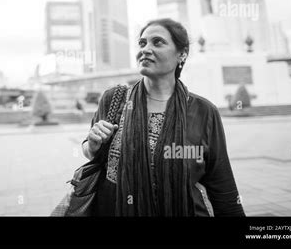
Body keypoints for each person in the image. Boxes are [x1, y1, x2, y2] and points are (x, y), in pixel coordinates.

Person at [81, 18, 245, 216]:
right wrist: (92, 145)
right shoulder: (114, 99)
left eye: (157, 42)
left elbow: (221, 183)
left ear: (181, 55)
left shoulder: (204, 111)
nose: (146, 49)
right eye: (142, 43)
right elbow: (91, 153)